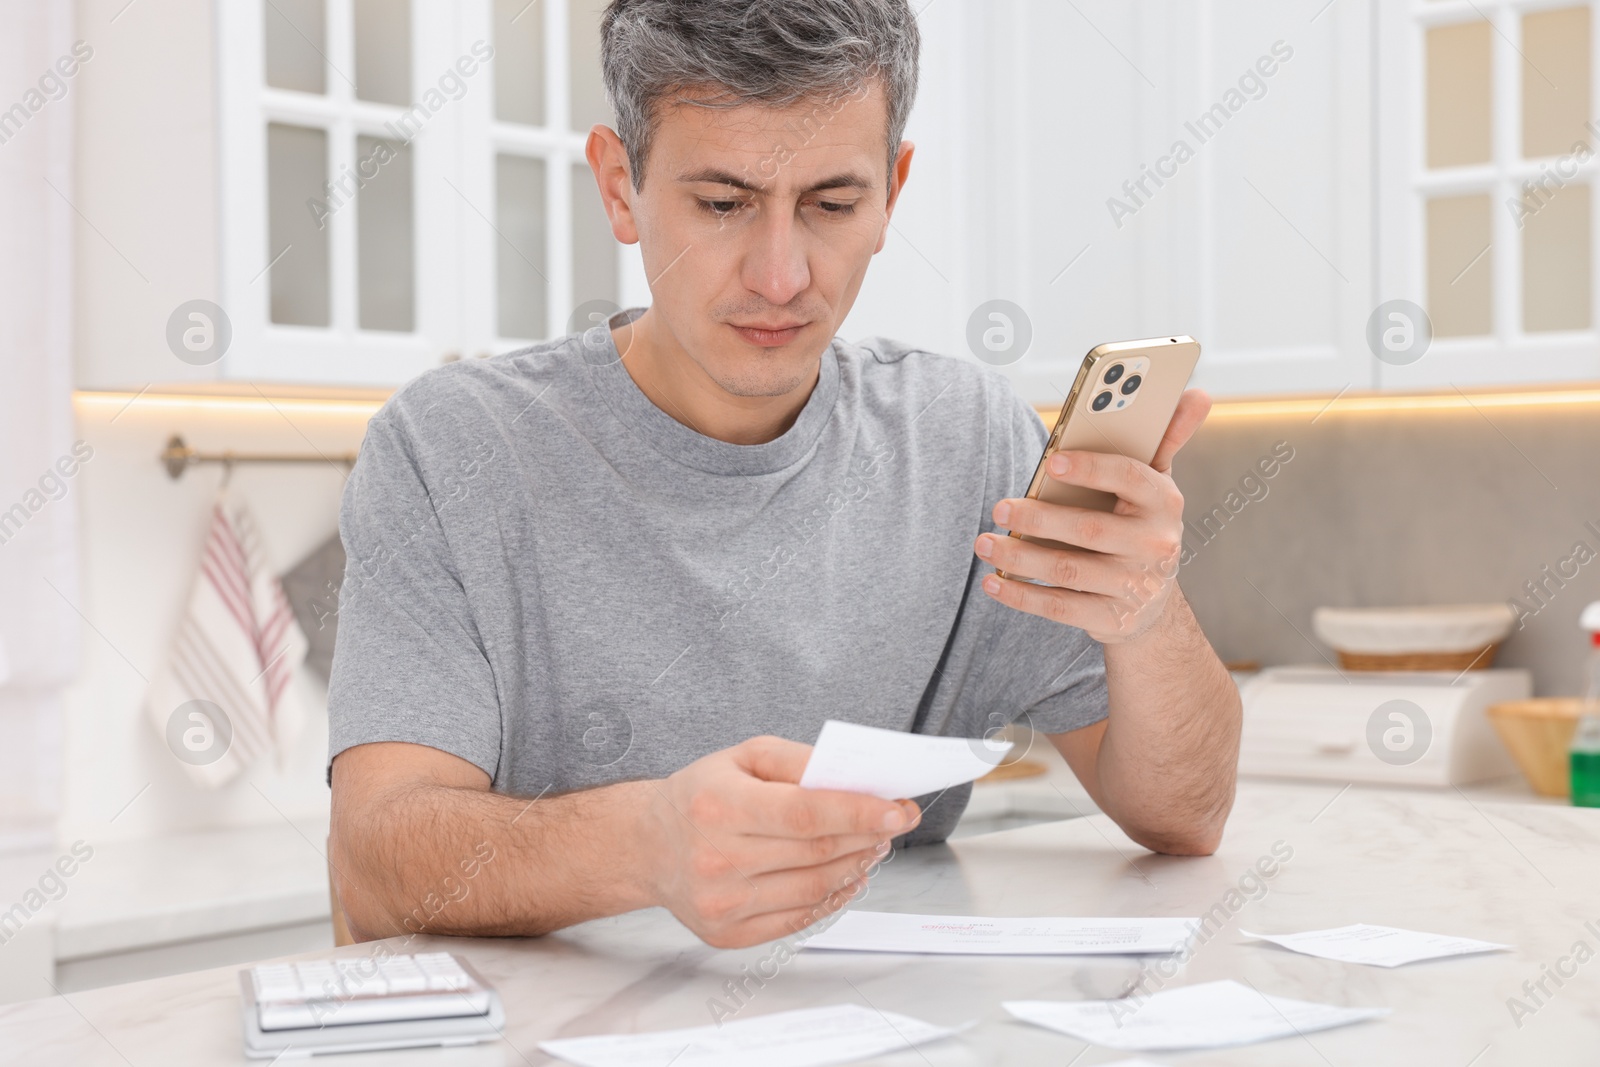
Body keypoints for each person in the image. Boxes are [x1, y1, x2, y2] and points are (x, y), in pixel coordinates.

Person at [327, 0, 1240, 950]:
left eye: (832, 205)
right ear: (618, 188)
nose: (779, 275)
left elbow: (1186, 816)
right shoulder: (451, 449)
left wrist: (1146, 614)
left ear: (893, 192)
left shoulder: (967, 442)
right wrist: (647, 845)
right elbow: (379, 860)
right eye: (722, 204)